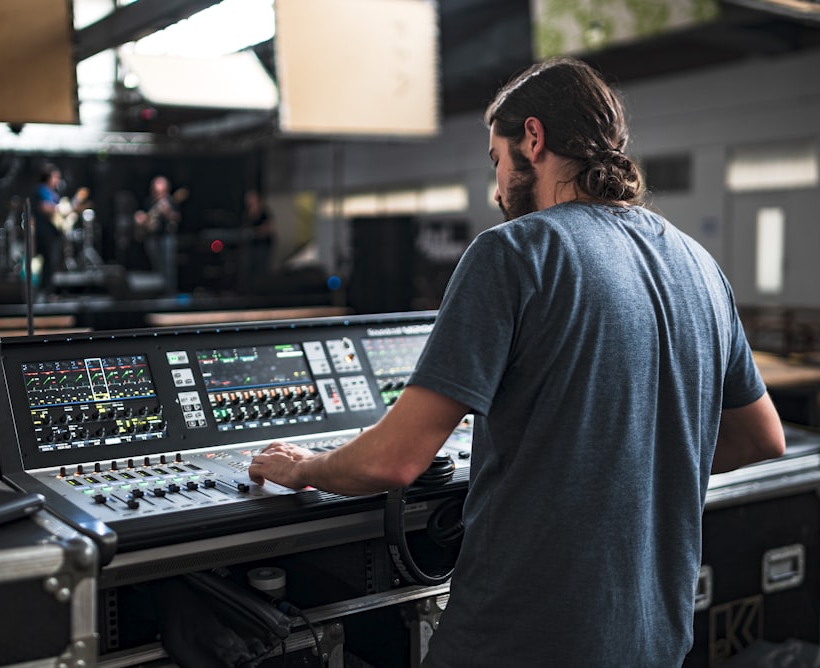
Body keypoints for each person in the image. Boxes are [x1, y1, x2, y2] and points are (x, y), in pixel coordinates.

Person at [248, 57, 786, 667]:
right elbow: (762, 438)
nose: (496, 185)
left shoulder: (513, 253)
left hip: (521, 639)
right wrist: (632, 474)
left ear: (533, 139)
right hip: (655, 642)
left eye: (496, 160)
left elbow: (394, 460)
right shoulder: (699, 264)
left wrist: (305, 468)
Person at [31, 163, 85, 297]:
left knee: (52, 262)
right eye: (56, 177)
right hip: (45, 231)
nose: (58, 180)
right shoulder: (42, 190)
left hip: (53, 231)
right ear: (48, 177)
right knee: (48, 261)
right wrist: (61, 209)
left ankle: (48, 291)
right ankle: (45, 292)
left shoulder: (53, 193)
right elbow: (45, 208)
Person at [133, 175, 181, 292]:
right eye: (156, 191)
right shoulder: (149, 201)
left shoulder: (171, 201)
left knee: (168, 265)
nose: (158, 194)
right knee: (156, 265)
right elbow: (143, 216)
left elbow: (177, 218)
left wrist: (168, 211)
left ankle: (170, 292)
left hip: (166, 236)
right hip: (152, 237)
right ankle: (159, 290)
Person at [239, 189, 275, 292]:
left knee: (261, 269)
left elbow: (269, 228)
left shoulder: (264, 213)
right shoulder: (246, 214)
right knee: (248, 269)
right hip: (251, 245)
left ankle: (261, 291)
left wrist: (256, 232)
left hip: (262, 246)